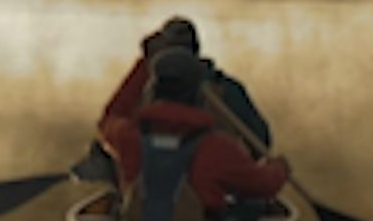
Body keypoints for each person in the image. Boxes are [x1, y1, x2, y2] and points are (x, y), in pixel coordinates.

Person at [98, 45, 292, 221]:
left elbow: (110, 117)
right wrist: (279, 169)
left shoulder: (128, 139)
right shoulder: (218, 148)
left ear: (152, 90)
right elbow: (264, 185)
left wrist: (143, 63)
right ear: (199, 95)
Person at [97, 14, 272, 154]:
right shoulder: (228, 89)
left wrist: (144, 65)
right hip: (217, 186)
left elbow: (109, 123)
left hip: (155, 189)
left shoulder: (146, 88)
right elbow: (261, 142)